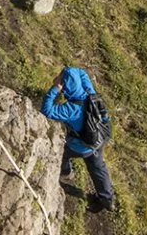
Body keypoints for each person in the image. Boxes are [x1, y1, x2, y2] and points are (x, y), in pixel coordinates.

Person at [41, 66, 115, 211]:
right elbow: (82, 73)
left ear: (65, 87)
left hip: (82, 146)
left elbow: (46, 110)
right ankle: (107, 198)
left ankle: (65, 172)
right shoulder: (89, 91)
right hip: (99, 138)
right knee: (98, 167)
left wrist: (55, 89)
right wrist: (69, 71)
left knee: (62, 151)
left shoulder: (71, 109)